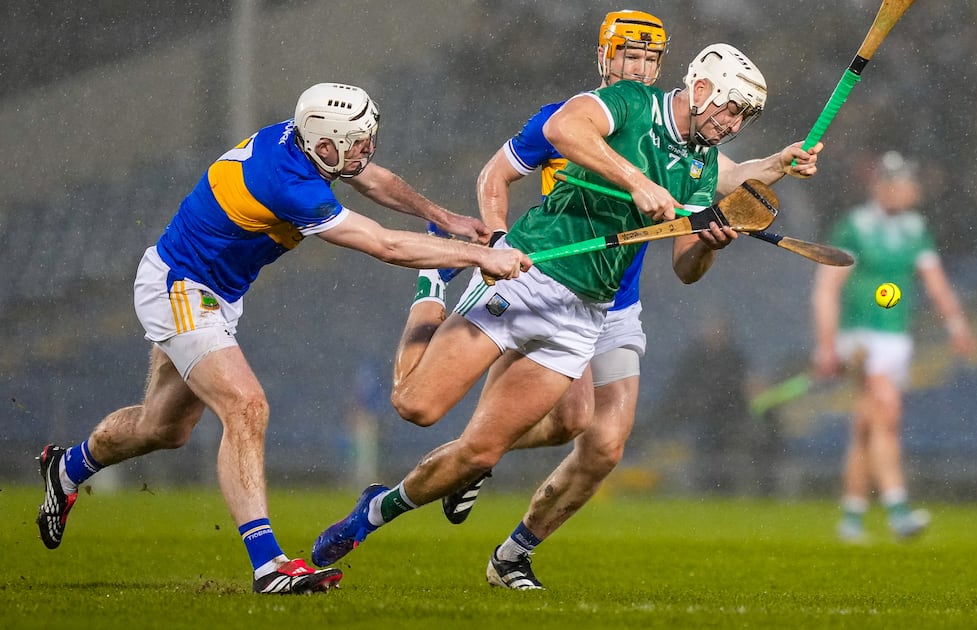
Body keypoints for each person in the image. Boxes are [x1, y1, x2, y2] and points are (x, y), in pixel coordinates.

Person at [312, 41, 795, 589]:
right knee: (416, 407)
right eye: (730, 109)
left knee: (482, 450)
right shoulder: (631, 102)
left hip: (583, 313)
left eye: (743, 118)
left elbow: (687, 268)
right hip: (528, 276)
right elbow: (566, 130)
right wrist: (639, 183)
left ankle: (375, 512)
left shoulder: (702, 167)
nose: (732, 125)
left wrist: (710, 243)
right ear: (702, 89)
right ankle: (430, 284)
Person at [34, 82, 530, 595]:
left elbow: (373, 179)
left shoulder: (304, 143)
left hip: (210, 290)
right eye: (357, 143)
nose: (366, 151)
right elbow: (384, 246)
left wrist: (445, 218)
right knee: (246, 407)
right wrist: (481, 257)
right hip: (180, 287)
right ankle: (270, 566)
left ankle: (66, 468)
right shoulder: (289, 183)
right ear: (323, 144)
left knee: (164, 427)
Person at [438, 9, 821, 546]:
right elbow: (495, 175)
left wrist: (779, 161)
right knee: (562, 418)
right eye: (629, 55)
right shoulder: (565, 119)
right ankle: (472, 454)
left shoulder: (667, 131)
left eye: (650, 58)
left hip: (616, 301)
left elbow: (723, 174)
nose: (640, 69)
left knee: (598, 438)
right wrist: (499, 245)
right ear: (604, 57)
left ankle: (491, 489)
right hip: (554, 277)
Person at [811, 150, 976, 544]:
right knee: (886, 409)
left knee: (868, 427)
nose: (913, 190)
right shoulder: (853, 227)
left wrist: (957, 323)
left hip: (897, 338)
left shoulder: (916, 228)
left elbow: (934, 281)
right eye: (905, 183)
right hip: (861, 337)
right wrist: (826, 345)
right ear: (884, 186)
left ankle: (851, 518)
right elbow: (827, 288)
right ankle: (899, 511)